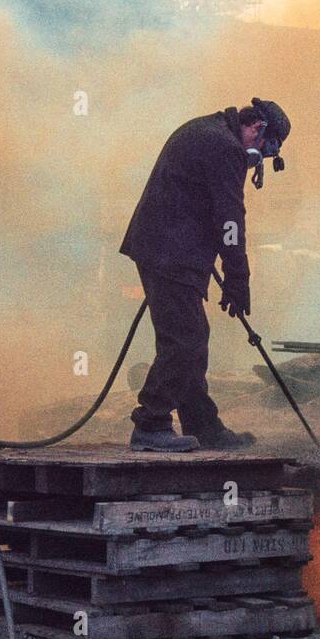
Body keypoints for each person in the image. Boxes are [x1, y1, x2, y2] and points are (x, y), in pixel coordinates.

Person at [119, 98, 290, 452]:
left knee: (191, 335)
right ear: (258, 128)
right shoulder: (225, 147)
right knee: (186, 339)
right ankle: (151, 423)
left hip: (168, 248)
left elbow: (205, 205)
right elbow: (230, 219)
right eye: (268, 149)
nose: (262, 157)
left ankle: (203, 425)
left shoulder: (209, 130)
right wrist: (237, 278)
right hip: (170, 252)